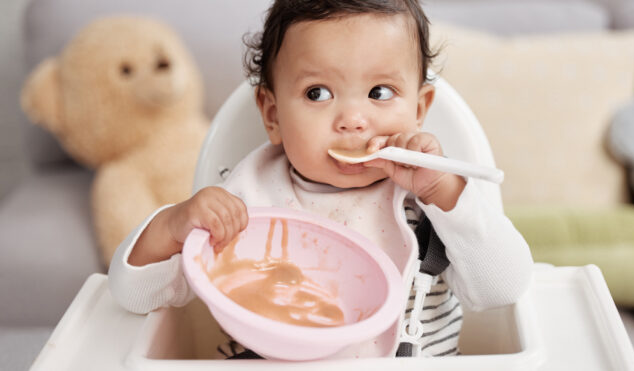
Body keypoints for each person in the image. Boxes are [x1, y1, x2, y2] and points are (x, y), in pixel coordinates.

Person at [108, 0, 533, 359]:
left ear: (420, 108)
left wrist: (445, 193)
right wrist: (170, 226)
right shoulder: (248, 196)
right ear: (272, 115)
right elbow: (134, 295)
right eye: (318, 93)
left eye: (380, 93)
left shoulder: (432, 192)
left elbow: (504, 289)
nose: (352, 120)